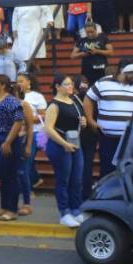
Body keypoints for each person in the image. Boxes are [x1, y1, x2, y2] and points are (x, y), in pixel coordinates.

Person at [86, 57, 133, 180]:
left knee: (131, 170)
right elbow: (89, 99)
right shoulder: (103, 83)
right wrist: (90, 120)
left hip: (131, 139)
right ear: (123, 70)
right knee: (107, 169)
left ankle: (129, 196)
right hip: (107, 138)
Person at [43, 74, 86, 227]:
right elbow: (48, 128)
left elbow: (78, 121)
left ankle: (76, 209)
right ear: (57, 86)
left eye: (71, 84)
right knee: (63, 180)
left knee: (77, 179)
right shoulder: (54, 105)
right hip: (60, 146)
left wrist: (83, 121)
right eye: (66, 84)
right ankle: (64, 212)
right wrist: (63, 144)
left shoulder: (74, 101)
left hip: (75, 143)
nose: (70, 87)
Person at [0, 75, 25, 221]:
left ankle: (12, 209)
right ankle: (4, 206)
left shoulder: (11, 100)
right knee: (2, 175)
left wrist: (8, 141)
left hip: (6, 139)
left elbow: (18, 121)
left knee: (10, 175)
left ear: (2, 85)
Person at [16, 71, 47, 211]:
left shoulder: (37, 96)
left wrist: (29, 118)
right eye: (18, 81)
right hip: (21, 132)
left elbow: (43, 115)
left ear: (29, 82)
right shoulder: (16, 97)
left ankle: (28, 191)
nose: (19, 83)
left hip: (35, 132)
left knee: (26, 161)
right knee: (25, 159)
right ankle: (35, 180)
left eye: (21, 81)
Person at [11, 0, 50, 71]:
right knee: (23, 48)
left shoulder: (37, 2)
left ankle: (36, 64)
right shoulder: (18, 4)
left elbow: (46, 10)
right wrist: (14, 30)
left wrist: (50, 20)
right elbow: (14, 18)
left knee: (35, 46)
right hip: (22, 29)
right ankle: (26, 66)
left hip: (35, 28)